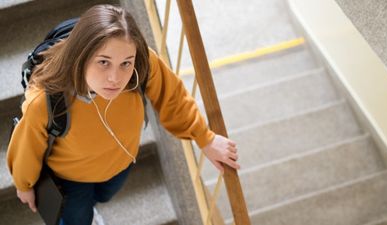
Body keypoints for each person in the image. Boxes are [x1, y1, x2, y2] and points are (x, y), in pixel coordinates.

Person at [7, 4, 240, 225]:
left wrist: (205, 138)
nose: (115, 78)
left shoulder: (142, 62)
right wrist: (24, 184)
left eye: (125, 64)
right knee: (76, 217)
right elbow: (26, 147)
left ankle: (93, 206)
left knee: (104, 195)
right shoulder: (45, 100)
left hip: (121, 162)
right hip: (70, 179)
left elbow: (173, 97)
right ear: (80, 55)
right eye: (103, 62)